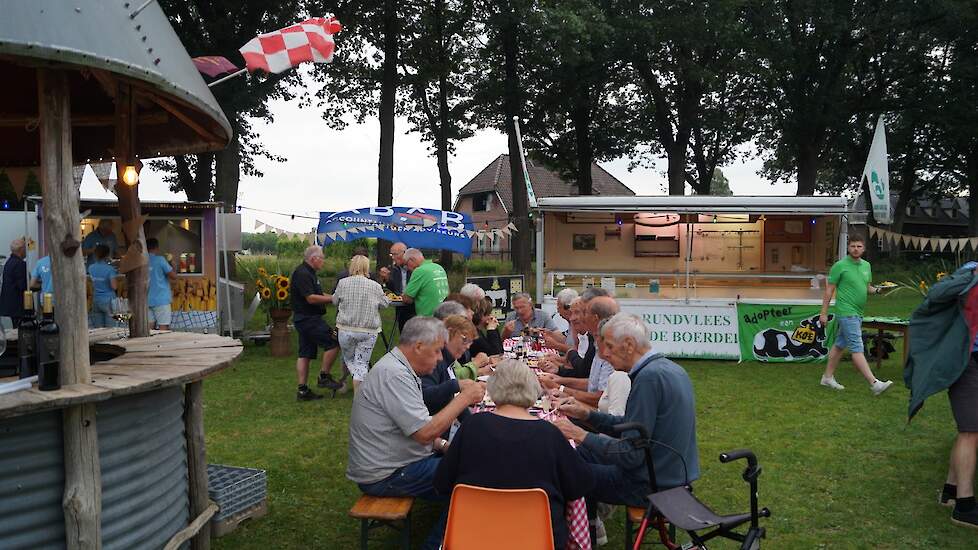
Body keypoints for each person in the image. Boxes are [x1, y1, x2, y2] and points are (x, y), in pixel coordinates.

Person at [347, 317, 485, 550]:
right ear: (419, 346)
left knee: (470, 465)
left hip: (393, 464)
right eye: (437, 351)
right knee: (473, 481)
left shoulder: (398, 368)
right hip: (386, 475)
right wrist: (464, 399)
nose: (441, 358)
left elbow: (412, 427)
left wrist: (442, 446)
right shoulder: (395, 374)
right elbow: (423, 432)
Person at [554, 313, 700, 531]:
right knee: (578, 455)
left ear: (629, 345)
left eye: (610, 347)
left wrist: (580, 435)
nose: (604, 354)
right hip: (671, 474)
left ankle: (578, 534)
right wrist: (586, 415)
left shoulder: (649, 378)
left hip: (653, 485)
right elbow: (633, 426)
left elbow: (631, 454)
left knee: (567, 471)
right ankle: (590, 524)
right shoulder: (669, 369)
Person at [433, 359, 595, 549]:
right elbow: (580, 485)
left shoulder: (472, 426)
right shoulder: (549, 434)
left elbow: (442, 483)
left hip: (473, 537)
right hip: (538, 539)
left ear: (492, 390)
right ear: (532, 390)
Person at [905, 261, 978, 529]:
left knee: (967, 431)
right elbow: (936, 296)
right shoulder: (970, 273)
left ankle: (950, 489)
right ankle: (965, 505)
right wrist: (970, 276)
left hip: (971, 359)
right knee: (971, 431)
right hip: (965, 361)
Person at [818, 236, 893, 395]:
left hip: (858, 313)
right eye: (853, 246)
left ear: (864, 249)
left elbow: (867, 287)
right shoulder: (840, 266)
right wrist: (823, 313)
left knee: (839, 345)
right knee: (856, 347)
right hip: (846, 312)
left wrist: (879, 290)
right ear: (848, 248)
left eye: (859, 246)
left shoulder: (867, 266)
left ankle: (827, 377)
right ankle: (874, 384)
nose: (856, 249)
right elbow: (829, 290)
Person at [539, 296, 618, 408]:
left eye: (581, 313)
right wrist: (560, 378)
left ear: (595, 318)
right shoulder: (595, 340)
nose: (573, 318)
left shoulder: (608, 349)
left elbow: (599, 398)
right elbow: (592, 382)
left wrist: (560, 386)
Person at [290, 245, 343, 400]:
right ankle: (324, 377)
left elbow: (319, 294)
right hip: (308, 319)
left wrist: (334, 297)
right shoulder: (303, 274)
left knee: (305, 354)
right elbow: (311, 298)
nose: (323, 262)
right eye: (322, 259)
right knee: (334, 341)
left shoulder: (310, 273)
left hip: (305, 319)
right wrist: (334, 299)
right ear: (313, 259)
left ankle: (302, 390)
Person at [333, 255, 391, 392]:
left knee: (350, 359)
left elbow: (334, 301)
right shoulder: (375, 286)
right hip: (368, 330)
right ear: (367, 267)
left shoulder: (342, 283)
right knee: (361, 364)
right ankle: (361, 388)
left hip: (346, 329)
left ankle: (349, 384)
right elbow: (385, 304)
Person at [402, 248, 449, 317]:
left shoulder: (420, 271)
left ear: (411, 260)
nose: (407, 268)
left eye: (406, 264)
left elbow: (407, 299)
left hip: (428, 317)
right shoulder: (439, 267)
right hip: (445, 314)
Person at [379, 242, 415, 330]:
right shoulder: (395, 269)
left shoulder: (415, 269)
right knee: (403, 333)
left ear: (404, 253)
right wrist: (387, 279)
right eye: (391, 254)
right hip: (401, 308)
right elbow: (394, 289)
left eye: (395, 254)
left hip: (415, 307)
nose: (393, 257)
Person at [146, 238, 178, 330]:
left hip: (147, 299)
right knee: (163, 328)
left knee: (149, 328)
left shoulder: (142, 261)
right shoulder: (160, 260)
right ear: (157, 248)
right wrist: (174, 266)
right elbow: (173, 276)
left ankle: (149, 344)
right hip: (161, 300)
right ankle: (162, 344)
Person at [88, 245, 118, 328]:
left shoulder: (91, 268)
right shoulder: (110, 269)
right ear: (107, 255)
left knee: (99, 329)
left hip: (96, 299)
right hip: (109, 300)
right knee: (110, 329)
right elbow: (114, 286)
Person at [542, 288, 579, 354]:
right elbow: (566, 341)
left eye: (559, 307)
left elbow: (578, 352)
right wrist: (550, 334)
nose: (558, 311)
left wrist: (556, 345)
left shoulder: (579, 325)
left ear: (568, 308)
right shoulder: (571, 324)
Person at [0, 238, 27, 326]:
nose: (26, 250)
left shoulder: (9, 262)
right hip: (18, 306)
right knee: (22, 330)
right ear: (20, 250)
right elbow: (22, 286)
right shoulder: (20, 264)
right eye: (25, 248)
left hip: (10, 305)